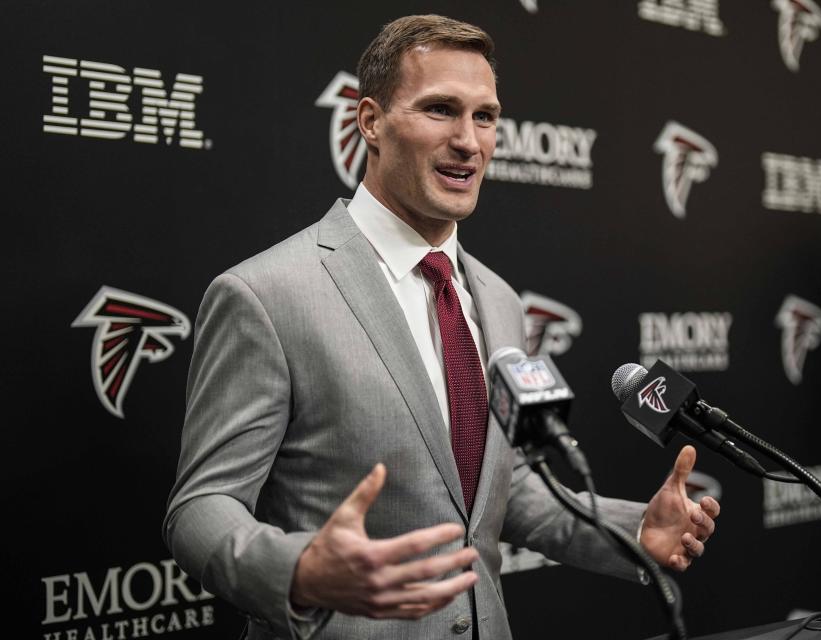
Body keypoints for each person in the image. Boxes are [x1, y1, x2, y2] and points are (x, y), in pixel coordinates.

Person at [163, 14, 720, 640]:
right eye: (440, 110)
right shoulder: (266, 294)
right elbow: (199, 510)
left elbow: (500, 493)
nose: (468, 140)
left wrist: (636, 530)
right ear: (370, 121)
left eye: (485, 117)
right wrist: (298, 571)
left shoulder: (500, 301)